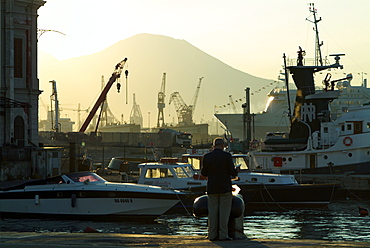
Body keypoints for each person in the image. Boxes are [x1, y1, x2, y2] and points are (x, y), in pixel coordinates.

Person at [201, 137, 238, 241]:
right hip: (225, 188)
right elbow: (232, 172)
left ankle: (212, 235)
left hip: (212, 188)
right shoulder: (227, 156)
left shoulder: (207, 157)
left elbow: (204, 173)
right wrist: (236, 170)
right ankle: (223, 235)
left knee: (212, 212)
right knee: (224, 213)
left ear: (213, 145)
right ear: (222, 146)